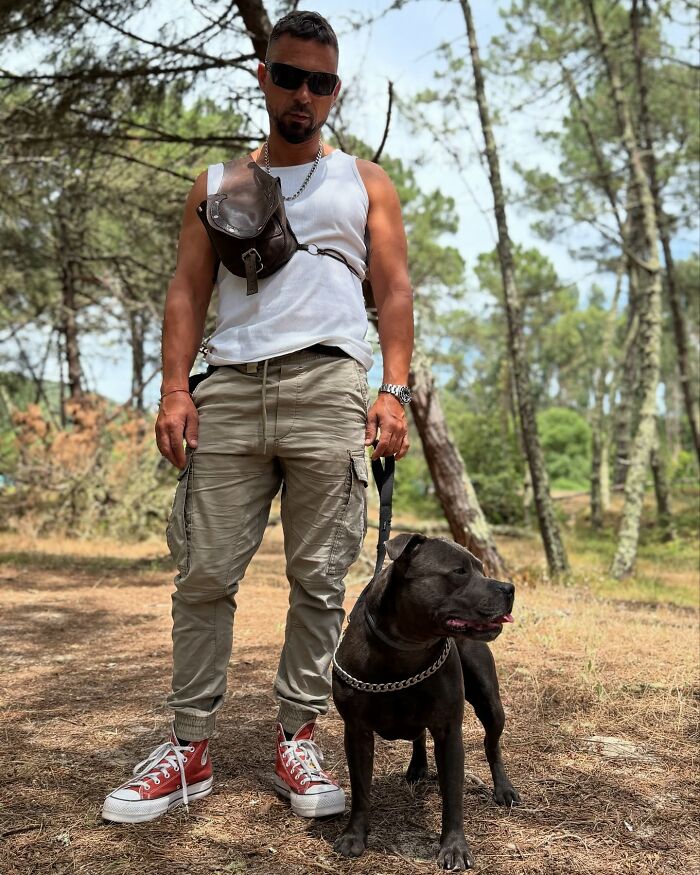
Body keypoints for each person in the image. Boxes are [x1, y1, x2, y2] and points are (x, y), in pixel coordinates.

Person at [102, 10, 413, 825]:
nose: (303, 94)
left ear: (334, 92)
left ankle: (297, 736)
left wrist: (395, 389)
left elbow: (397, 292)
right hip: (231, 387)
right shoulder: (219, 183)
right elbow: (187, 289)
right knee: (204, 571)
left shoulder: (366, 183)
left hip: (331, 386)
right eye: (289, 76)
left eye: (320, 82)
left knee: (319, 577)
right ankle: (189, 746)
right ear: (265, 77)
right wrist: (176, 390)